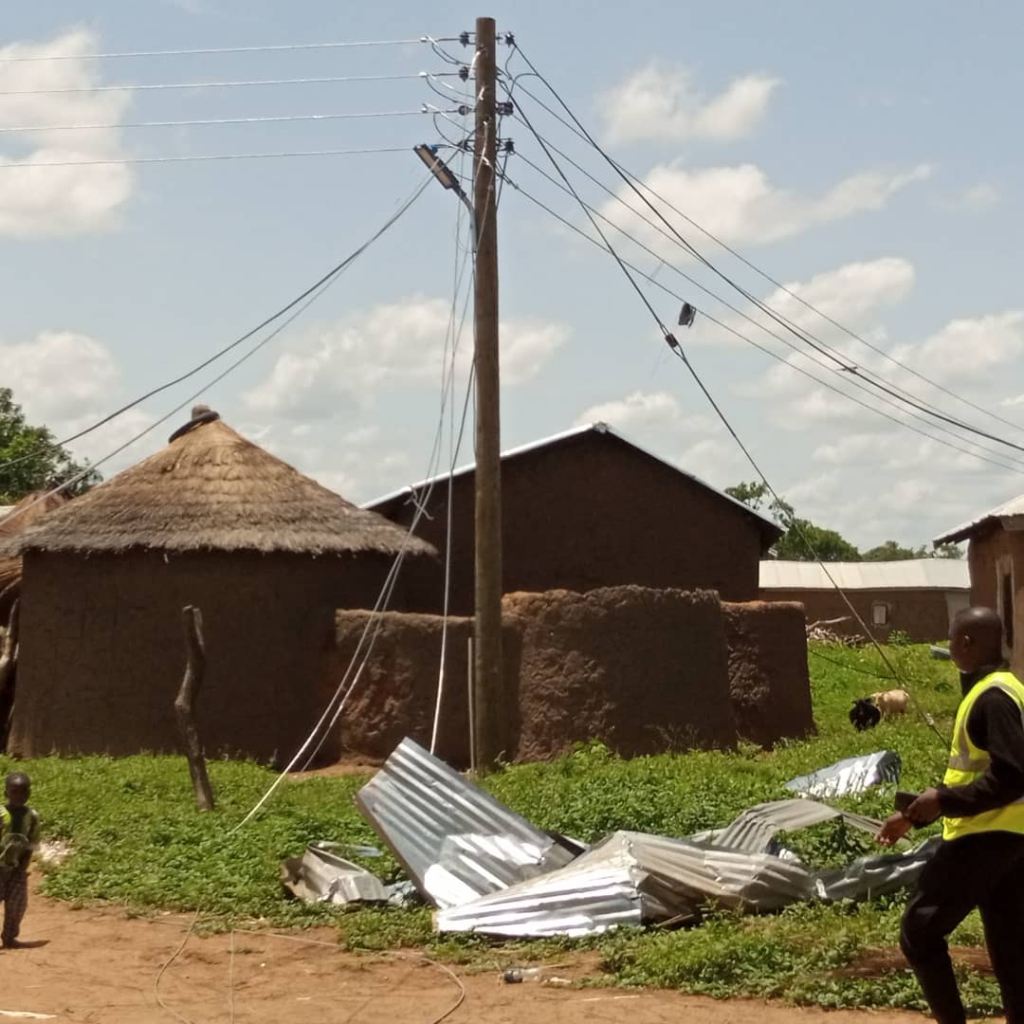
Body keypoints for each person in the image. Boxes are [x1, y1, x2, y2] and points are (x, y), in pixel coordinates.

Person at [877, 606, 1024, 1024]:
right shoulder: (1011, 688)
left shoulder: (991, 699)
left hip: (984, 836)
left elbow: (1013, 776)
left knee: (919, 931)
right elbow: (975, 774)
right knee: (1011, 946)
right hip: (1013, 839)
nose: (950, 647)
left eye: (951, 639)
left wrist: (942, 800)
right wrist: (917, 813)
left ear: (965, 643)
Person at [0, 772, 40, 950]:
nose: (19, 796)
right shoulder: (1, 814)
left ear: (29, 794)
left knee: (17, 905)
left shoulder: (32, 817)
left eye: (23, 792)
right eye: (14, 791)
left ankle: (9, 937)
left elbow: (32, 843)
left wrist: (23, 868)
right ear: (6, 793)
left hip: (17, 868)